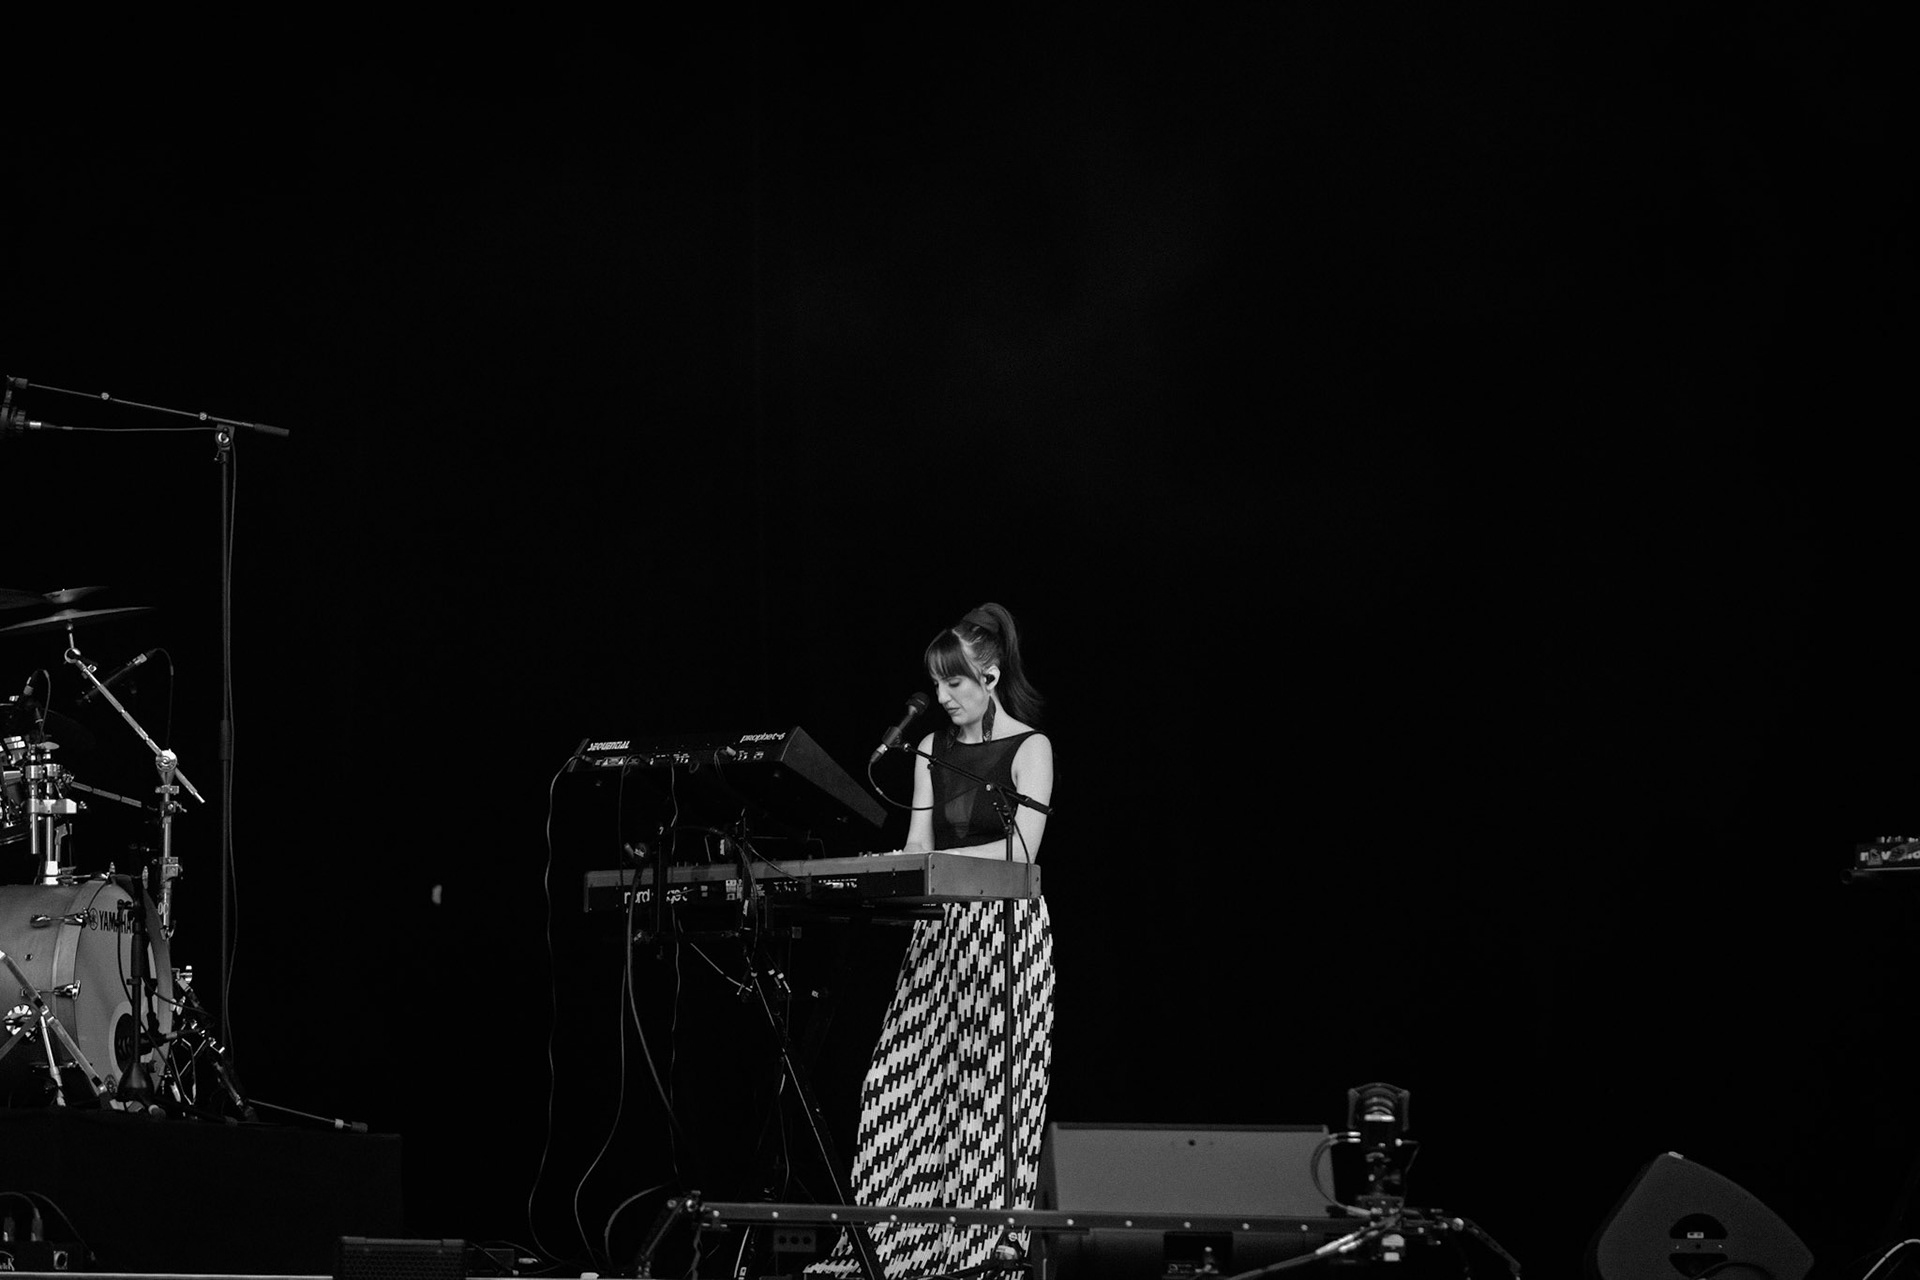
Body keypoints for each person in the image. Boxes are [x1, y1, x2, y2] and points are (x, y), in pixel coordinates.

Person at [812, 602, 1055, 1278]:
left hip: (1005, 936)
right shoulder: (929, 749)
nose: (943, 698)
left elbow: (1021, 853)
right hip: (940, 932)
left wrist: (932, 866)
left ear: (992, 674)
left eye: (955, 683)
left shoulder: (1030, 747)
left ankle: (981, 1252)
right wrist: (885, 870)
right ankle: (896, 1249)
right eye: (937, 684)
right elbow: (919, 846)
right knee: (903, 1083)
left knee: (989, 1095)